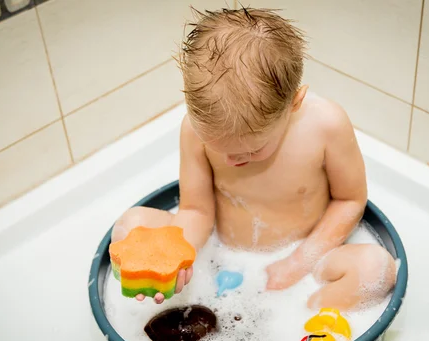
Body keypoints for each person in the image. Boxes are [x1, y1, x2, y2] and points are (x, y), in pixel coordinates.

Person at [111, 7, 396, 309]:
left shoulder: (326, 125)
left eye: (251, 151)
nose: (233, 161)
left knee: (376, 269)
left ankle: (308, 317)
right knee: (131, 225)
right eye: (220, 149)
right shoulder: (192, 131)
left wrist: (298, 263)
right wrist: (178, 256)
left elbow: (349, 201)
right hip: (220, 252)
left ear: (294, 104)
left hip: (308, 257)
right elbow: (196, 211)